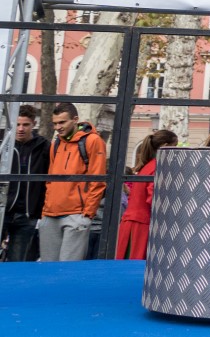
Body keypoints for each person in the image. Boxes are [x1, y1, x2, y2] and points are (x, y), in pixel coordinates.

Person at [37, 103, 106, 261]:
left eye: (62, 122)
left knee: (68, 269)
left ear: (75, 120)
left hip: (76, 214)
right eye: (55, 123)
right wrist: (45, 212)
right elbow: (50, 179)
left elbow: (98, 180)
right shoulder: (56, 143)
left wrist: (87, 214)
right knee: (48, 269)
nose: (57, 127)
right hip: (51, 214)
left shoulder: (92, 141)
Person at [115, 130, 177, 260]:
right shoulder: (158, 166)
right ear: (165, 146)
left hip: (132, 223)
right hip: (141, 226)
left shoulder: (148, 166)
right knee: (137, 267)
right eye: (175, 147)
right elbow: (154, 198)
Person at [3, 106, 47, 261]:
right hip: (3, 210)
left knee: (18, 262)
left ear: (34, 124)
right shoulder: (4, 144)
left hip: (28, 214)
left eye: (25, 124)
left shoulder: (43, 146)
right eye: (17, 124)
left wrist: (40, 209)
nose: (21, 129)